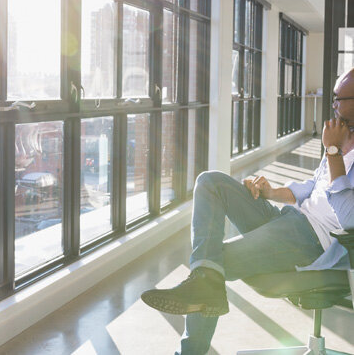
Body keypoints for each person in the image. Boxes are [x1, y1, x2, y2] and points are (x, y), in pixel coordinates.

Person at [141, 68, 354, 354]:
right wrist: (272, 192)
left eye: (339, 99)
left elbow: (349, 219)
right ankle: (203, 283)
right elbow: (313, 187)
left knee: (212, 264)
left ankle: (190, 349)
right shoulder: (343, 136)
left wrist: (332, 152)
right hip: (290, 220)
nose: (334, 105)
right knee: (211, 182)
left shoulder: (337, 145)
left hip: (313, 241)